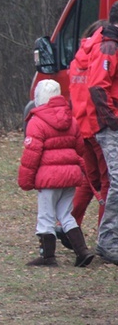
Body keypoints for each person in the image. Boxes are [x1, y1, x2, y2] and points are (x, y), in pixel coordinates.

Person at [18, 79, 93, 267]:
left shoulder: (37, 121)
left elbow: (31, 155)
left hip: (48, 180)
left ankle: (48, 257)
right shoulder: (71, 119)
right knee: (66, 214)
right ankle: (82, 252)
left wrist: (26, 181)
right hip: (70, 177)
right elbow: (79, 148)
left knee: (46, 216)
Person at [67, 20, 110, 235]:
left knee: (88, 181)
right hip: (98, 127)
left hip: (80, 127)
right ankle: (107, 235)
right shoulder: (100, 56)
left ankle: (69, 226)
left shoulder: (77, 60)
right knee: (109, 183)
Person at [86, 1, 118, 264]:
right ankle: (107, 241)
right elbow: (97, 87)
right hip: (111, 127)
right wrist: (113, 120)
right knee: (117, 182)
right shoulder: (108, 47)